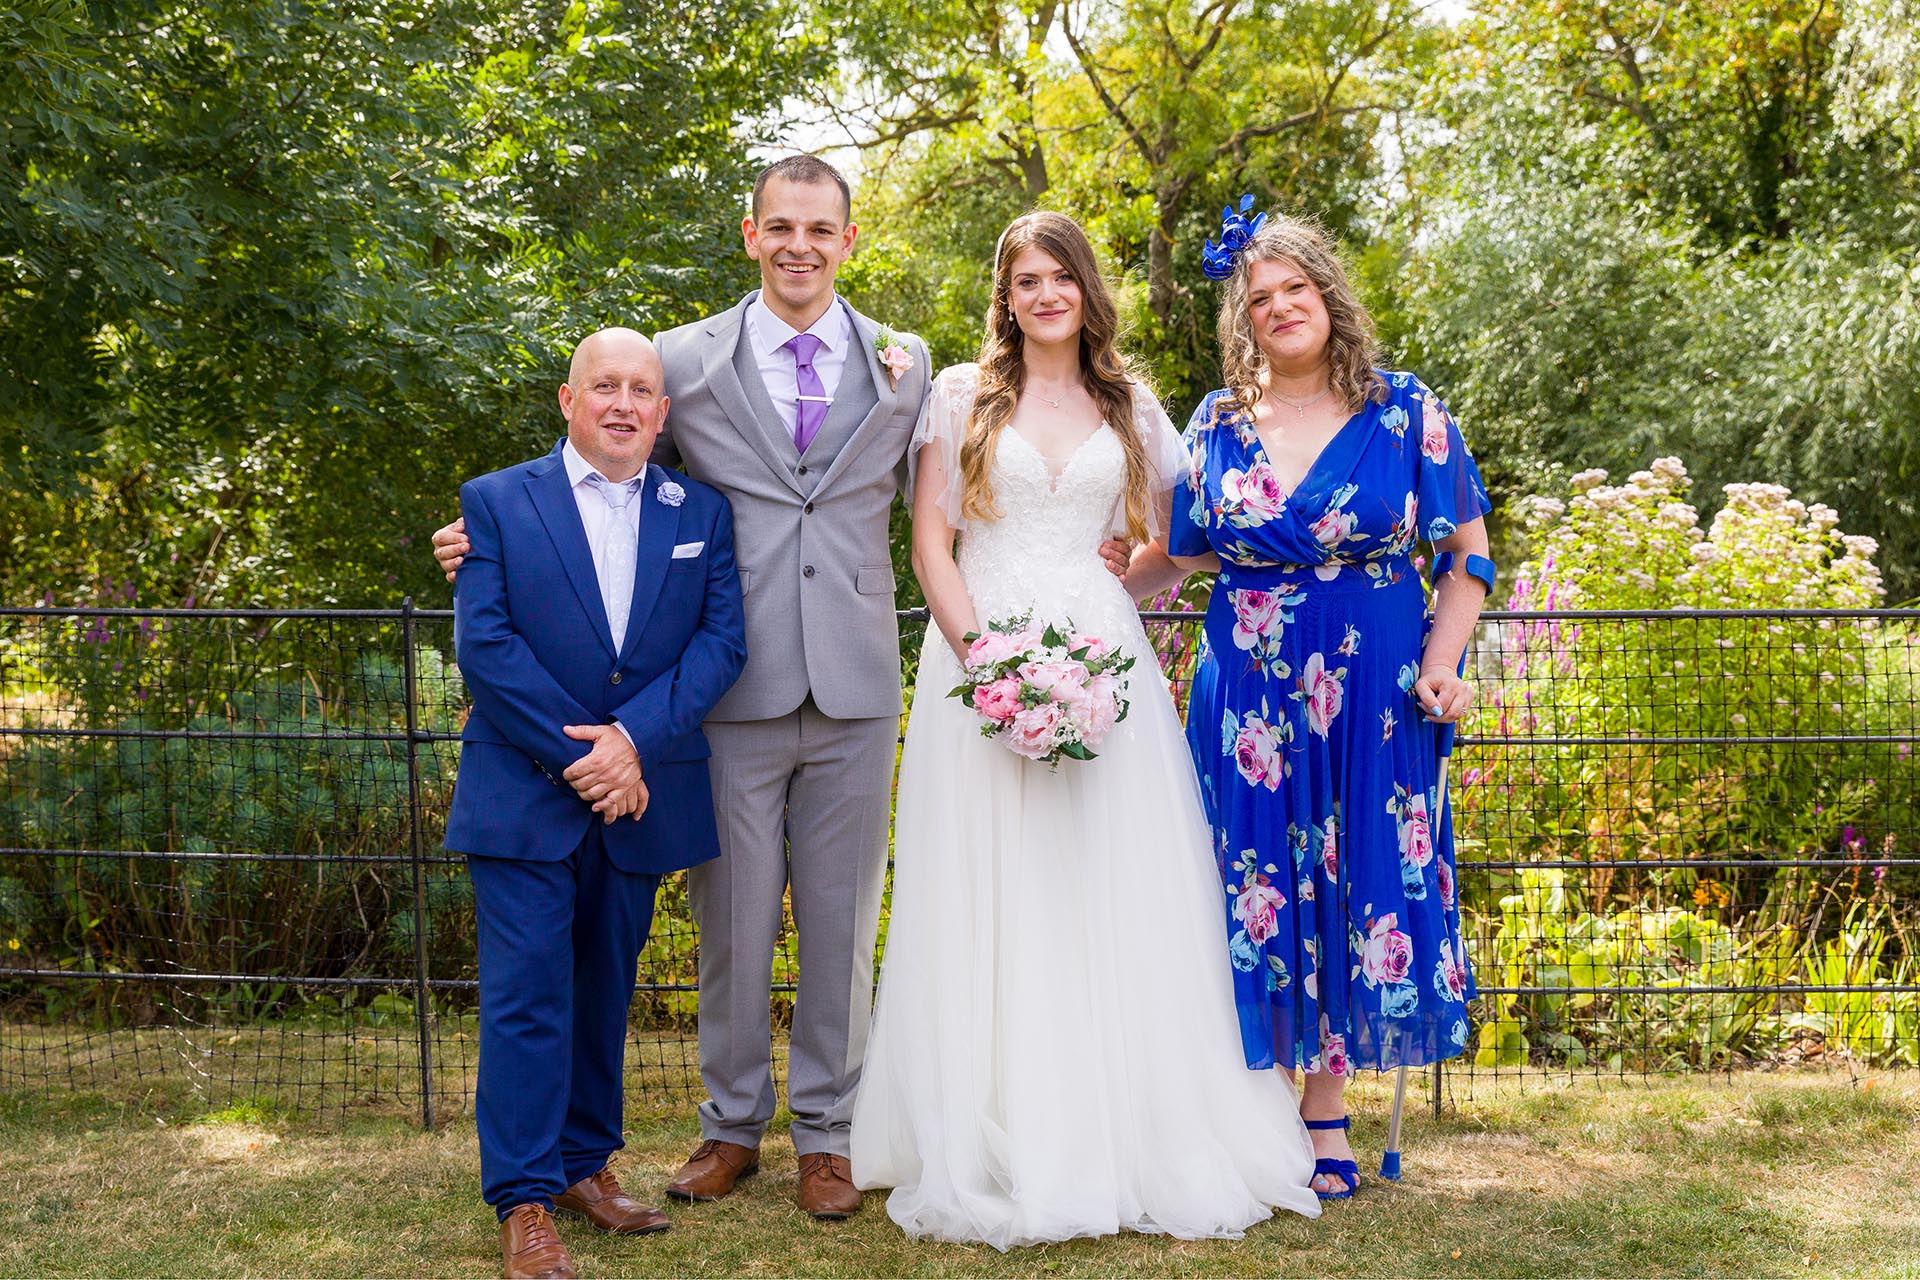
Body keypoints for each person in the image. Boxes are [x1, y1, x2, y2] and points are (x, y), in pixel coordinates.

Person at [434, 156, 1130, 1218]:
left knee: (845, 921)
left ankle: (828, 1134)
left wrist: (1086, 566)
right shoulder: (684, 358)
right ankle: (728, 1128)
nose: (801, 243)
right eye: (782, 226)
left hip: (855, 679)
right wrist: (490, 532)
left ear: (848, 240)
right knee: (733, 923)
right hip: (728, 682)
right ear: (752, 234)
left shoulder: (907, 366)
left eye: (822, 227)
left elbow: (953, 502)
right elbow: (603, 442)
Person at [848, 210, 1323, 1248]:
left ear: (1085, 289)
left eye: (1060, 275)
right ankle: (994, 1124)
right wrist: (987, 660)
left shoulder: (1133, 406)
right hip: (978, 657)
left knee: (1111, 881)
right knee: (989, 882)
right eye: (1025, 279)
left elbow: (1171, 542)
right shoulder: (959, 398)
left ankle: (1124, 1124)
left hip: (1106, 660)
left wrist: (1133, 587)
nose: (1045, 294)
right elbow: (932, 541)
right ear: (1005, 297)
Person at [1125, 204, 1493, 1199]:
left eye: (1296, 288)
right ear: (1244, 319)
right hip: (1245, 694)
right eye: (1260, 298)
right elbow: (1183, 548)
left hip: (1374, 690)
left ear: (1328, 297)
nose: (1281, 306)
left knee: (1347, 881)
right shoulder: (1215, 419)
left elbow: (1466, 559)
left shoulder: (1406, 410)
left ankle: (1323, 1111)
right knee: (1247, 878)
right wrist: (1061, 603)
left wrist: (1443, 662)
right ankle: (1248, 1110)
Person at [445, 328, 746, 1278]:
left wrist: (633, 744)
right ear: (568, 401)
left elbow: (719, 644)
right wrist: (588, 754)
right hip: (526, 792)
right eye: (604, 385)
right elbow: (487, 648)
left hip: (638, 794)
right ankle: (524, 1198)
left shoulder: (699, 510)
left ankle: (585, 1168)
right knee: (528, 998)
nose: (624, 403)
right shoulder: (495, 502)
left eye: (642, 390)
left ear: (664, 413)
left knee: (603, 992)